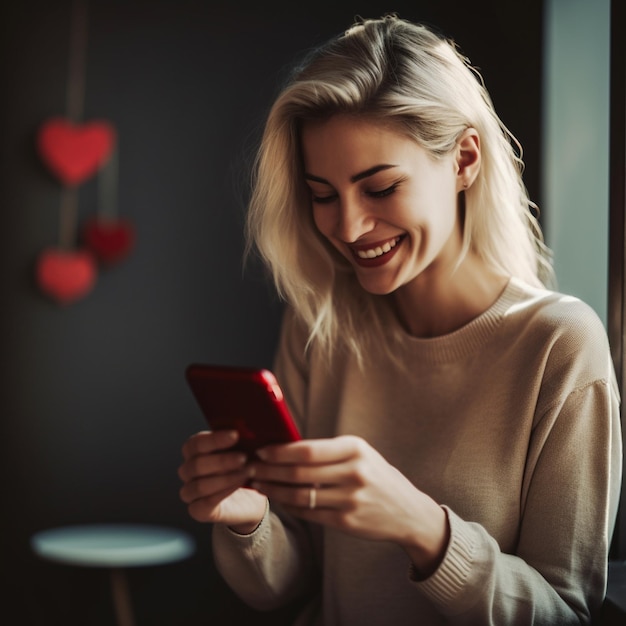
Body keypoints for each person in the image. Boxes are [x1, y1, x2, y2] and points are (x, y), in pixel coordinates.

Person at [178, 15, 622, 625]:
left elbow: (564, 614)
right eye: (323, 195)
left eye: (381, 188)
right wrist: (249, 519)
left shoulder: (559, 345)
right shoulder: (320, 328)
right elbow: (291, 583)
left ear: (465, 159)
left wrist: (420, 526)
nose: (349, 228)